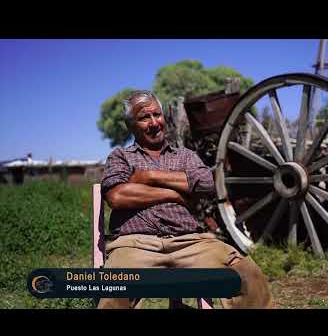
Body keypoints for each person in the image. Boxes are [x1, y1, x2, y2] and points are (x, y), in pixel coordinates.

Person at [97, 90, 273, 309]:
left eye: (157, 115)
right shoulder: (121, 157)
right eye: (144, 118)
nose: (154, 123)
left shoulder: (185, 156)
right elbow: (117, 196)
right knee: (116, 287)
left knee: (244, 273)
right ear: (131, 125)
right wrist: (174, 193)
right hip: (135, 243)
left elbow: (207, 183)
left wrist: (148, 177)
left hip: (189, 241)